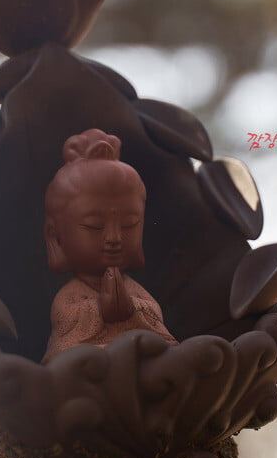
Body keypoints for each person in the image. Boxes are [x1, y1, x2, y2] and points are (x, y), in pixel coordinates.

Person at [42, 129, 177, 363]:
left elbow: (154, 317)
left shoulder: (133, 289)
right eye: (94, 226)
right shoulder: (70, 296)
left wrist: (131, 307)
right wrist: (102, 309)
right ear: (55, 236)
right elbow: (67, 321)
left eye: (129, 224)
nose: (114, 237)